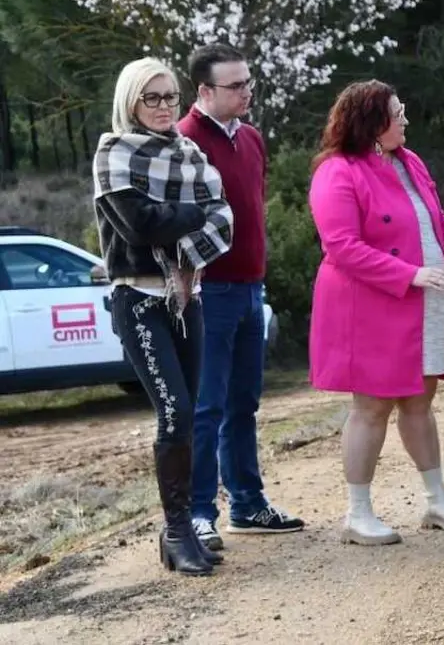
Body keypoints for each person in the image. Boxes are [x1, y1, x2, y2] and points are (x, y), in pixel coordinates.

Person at [308, 80, 444, 545]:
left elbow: (438, 224)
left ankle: (437, 500)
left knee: (420, 400)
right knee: (371, 408)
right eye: (397, 113)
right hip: (372, 310)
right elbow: (341, 247)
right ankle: (358, 513)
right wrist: (409, 275)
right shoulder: (337, 172)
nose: (405, 120)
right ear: (372, 123)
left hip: (425, 306)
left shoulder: (409, 161)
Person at [93, 57, 235, 575]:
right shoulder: (113, 153)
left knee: (192, 412)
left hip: (185, 296)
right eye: (151, 98)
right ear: (131, 101)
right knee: (173, 411)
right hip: (139, 299)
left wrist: (188, 225)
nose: (162, 107)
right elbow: (140, 227)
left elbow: (226, 216)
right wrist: (194, 213)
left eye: (170, 97)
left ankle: (184, 529)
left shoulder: (190, 151)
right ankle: (177, 531)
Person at [178, 43, 303, 550]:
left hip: (252, 288)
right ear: (204, 91)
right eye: (235, 86)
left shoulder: (251, 138)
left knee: (243, 403)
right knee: (206, 406)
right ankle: (200, 512)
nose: (247, 91)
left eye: (248, 82)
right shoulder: (183, 140)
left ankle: (248, 504)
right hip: (210, 292)